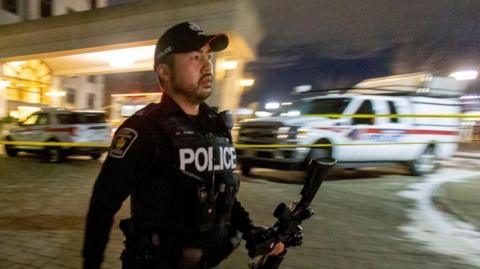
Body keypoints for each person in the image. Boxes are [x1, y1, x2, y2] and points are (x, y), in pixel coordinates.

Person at [82, 22, 284, 269]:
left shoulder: (216, 125)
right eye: (195, 57)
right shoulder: (143, 129)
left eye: (208, 57)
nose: (208, 64)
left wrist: (251, 230)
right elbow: (102, 206)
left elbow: (221, 193)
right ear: (164, 72)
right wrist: (91, 263)